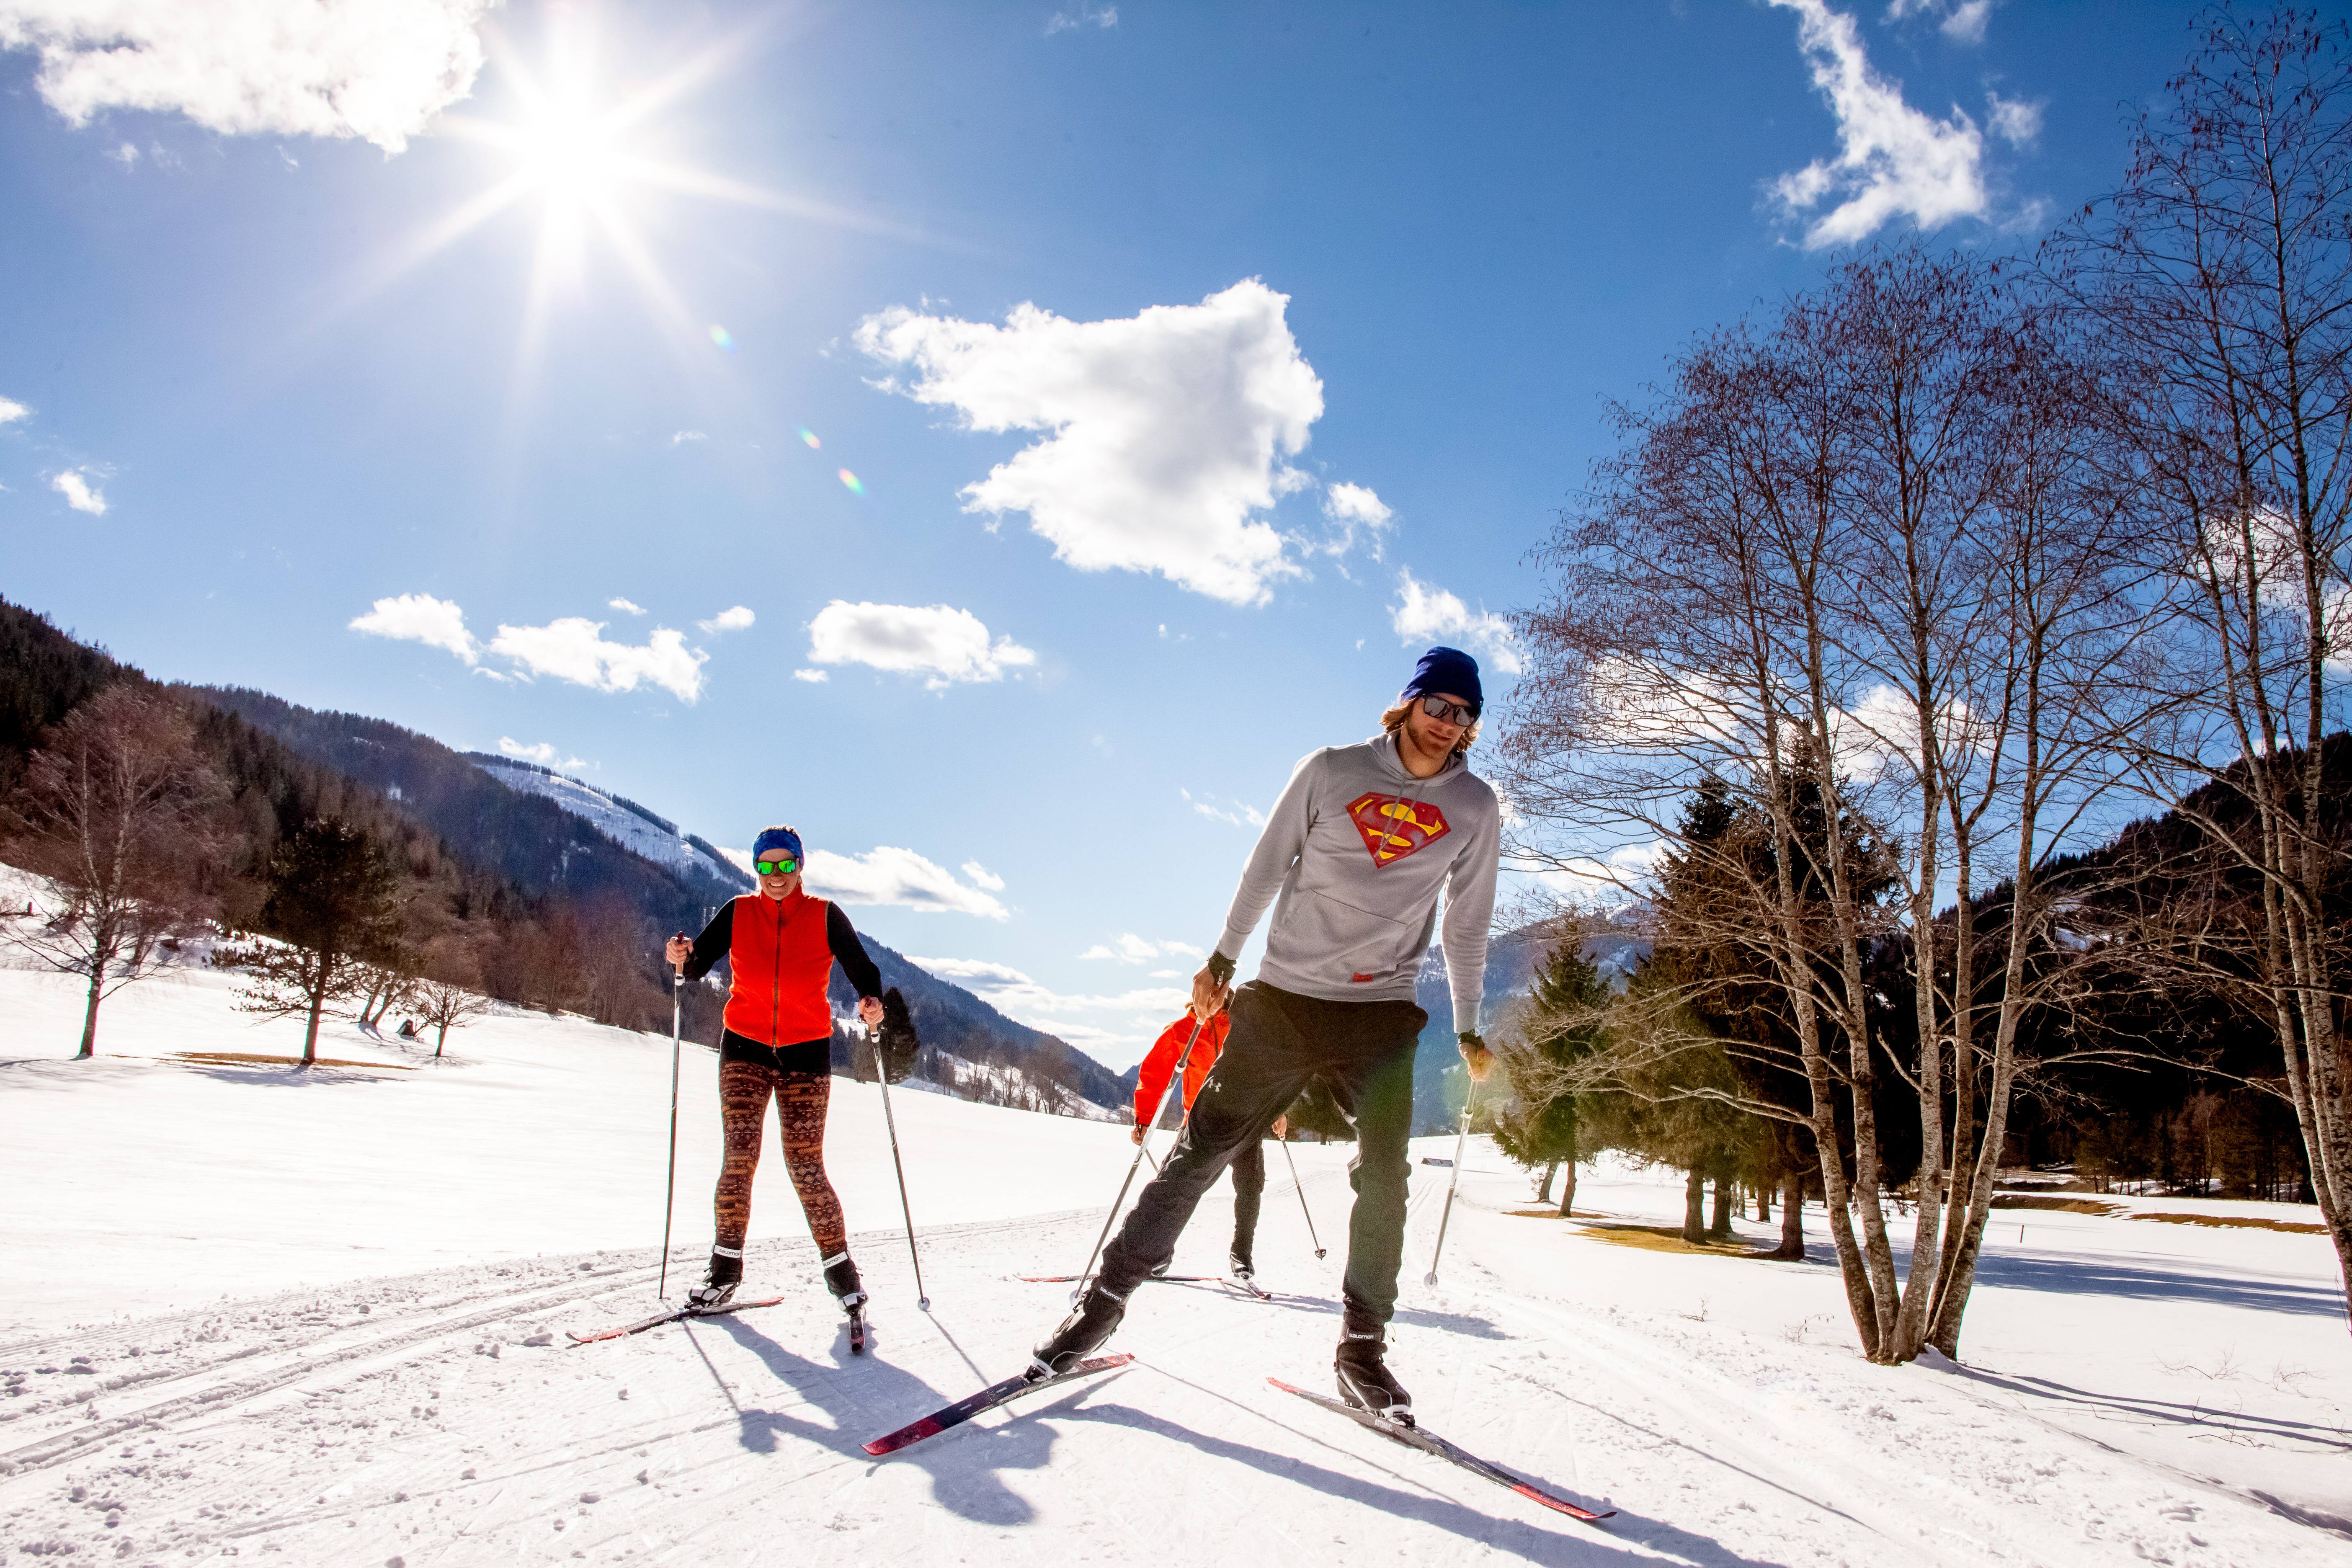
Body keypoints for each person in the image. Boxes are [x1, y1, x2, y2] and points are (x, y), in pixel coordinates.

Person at [1029, 647, 1501, 1424]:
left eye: (1464, 714)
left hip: (1381, 1011)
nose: (1448, 724)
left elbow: (1468, 922)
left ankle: (1362, 1349)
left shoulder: (1476, 807)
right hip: (1282, 999)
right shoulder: (1330, 769)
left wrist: (1470, 1023)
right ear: (1408, 702)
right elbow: (1265, 865)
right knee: (1201, 1149)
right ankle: (1100, 1306)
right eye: (1438, 705)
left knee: (1386, 1171)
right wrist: (1220, 958)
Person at [664, 825, 886, 1324]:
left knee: (805, 1166)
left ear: (801, 866)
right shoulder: (739, 912)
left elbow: (865, 974)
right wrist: (680, 957)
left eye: (787, 865)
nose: (777, 876)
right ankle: (723, 1273)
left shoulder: (826, 915)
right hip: (743, 1047)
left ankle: (843, 1277)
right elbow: (695, 965)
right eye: (767, 866)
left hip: (806, 1053)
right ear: (755, 869)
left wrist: (872, 1006)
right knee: (739, 1158)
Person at [1128, 1006, 1287, 1284]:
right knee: (1176, 1187)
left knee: (1250, 1186)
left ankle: (1242, 1253)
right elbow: (1154, 1073)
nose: (1215, 994)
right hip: (1200, 1123)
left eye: (1221, 988)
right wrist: (1143, 1119)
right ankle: (1160, 1252)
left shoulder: (1245, 1022)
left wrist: (1278, 1110)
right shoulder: (1182, 1031)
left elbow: (1267, 1070)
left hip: (1245, 1121)